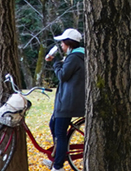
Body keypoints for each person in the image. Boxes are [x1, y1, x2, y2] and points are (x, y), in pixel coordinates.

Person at [43, 28, 85, 170]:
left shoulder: (74, 58)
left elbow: (62, 76)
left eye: (62, 43)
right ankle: (59, 153)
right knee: (53, 125)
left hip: (68, 102)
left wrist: (55, 63)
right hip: (70, 100)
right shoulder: (78, 56)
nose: (61, 45)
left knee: (60, 133)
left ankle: (58, 165)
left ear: (69, 43)